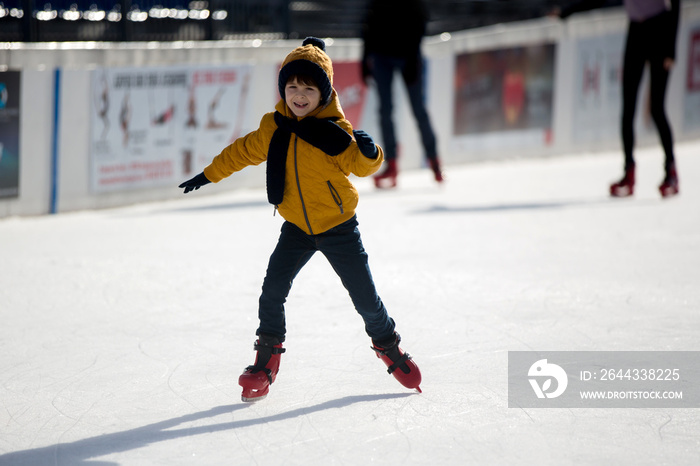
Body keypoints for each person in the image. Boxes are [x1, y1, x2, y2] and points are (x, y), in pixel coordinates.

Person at [179, 37, 422, 402]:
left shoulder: (333, 132)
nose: (299, 95)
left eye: (308, 88)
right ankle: (265, 361)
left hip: (339, 228)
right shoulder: (273, 127)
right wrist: (209, 174)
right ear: (283, 90)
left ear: (323, 93)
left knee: (365, 299)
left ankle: (388, 345)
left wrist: (372, 153)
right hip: (296, 228)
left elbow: (359, 163)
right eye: (292, 87)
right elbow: (242, 152)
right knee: (272, 291)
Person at [554, 0, 681, 198]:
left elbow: (676, 3)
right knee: (627, 109)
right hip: (636, 31)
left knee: (657, 109)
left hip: (659, 29)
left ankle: (670, 172)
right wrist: (567, 11)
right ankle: (628, 173)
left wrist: (671, 47)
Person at [362, 0, 443, 188]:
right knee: (385, 111)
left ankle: (434, 161)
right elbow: (368, 24)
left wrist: (413, 57)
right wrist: (364, 59)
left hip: (407, 57)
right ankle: (391, 163)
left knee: (418, 109)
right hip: (382, 56)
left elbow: (420, 20)